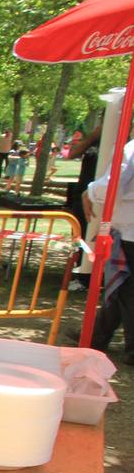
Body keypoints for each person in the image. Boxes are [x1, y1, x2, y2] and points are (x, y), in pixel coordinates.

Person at [84, 135, 134, 365]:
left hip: (129, 231)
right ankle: (98, 336)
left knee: (125, 288)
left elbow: (112, 186)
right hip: (127, 229)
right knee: (121, 288)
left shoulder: (131, 150)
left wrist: (90, 191)